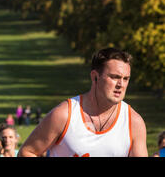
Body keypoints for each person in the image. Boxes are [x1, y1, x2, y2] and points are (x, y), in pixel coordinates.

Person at [18, 47, 148, 157]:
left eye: (126, 79)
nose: (121, 84)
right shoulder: (65, 115)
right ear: (95, 77)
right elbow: (26, 152)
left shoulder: (133, 122)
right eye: (115, 77)